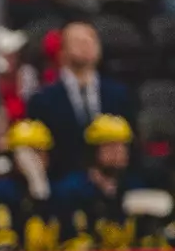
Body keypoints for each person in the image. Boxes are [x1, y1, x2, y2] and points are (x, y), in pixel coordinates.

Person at [26, 20, 133, 179]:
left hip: (115, 179)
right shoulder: (43, 100)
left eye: (91, 39)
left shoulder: (119, 94)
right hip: (63, 182)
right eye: (77, 41)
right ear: (61, 52)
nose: (86, 44)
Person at [52, 113, 170, 251]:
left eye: (123, 146)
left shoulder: (135, 186)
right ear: (93, 151)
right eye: (111, 146)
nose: (119, 152)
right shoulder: (70, 190)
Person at [0, 118, 58, 251]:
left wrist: (39, 185)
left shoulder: (61, 188)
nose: (32, 160)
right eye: (26, 154)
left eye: (37, 152)